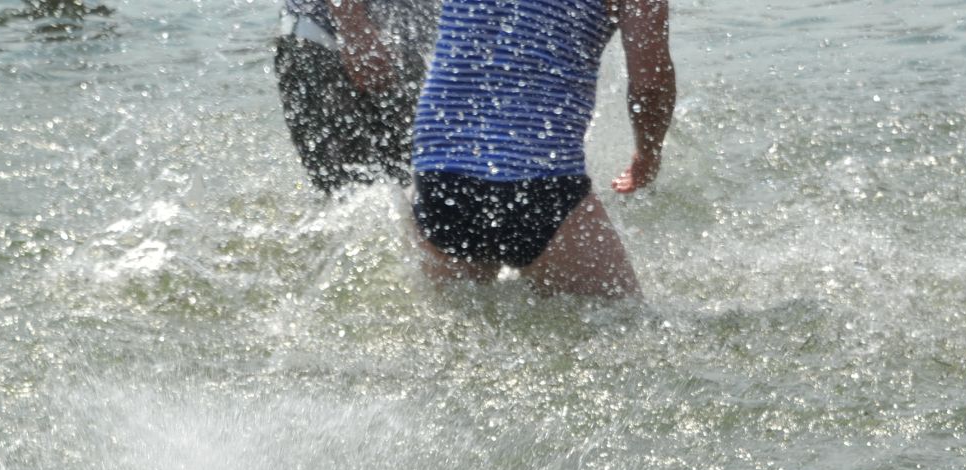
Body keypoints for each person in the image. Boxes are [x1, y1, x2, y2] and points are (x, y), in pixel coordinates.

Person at [409, 0, 676, 297]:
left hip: (440, 171)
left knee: (455, 331)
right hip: (540, 178)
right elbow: (650, 83)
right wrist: (647, 155)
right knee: (629, 330)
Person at [275, 0, 439, 195]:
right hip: (328, 36)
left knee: (412, 189)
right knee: (347, 194)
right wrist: (354, 30)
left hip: (402, 47)